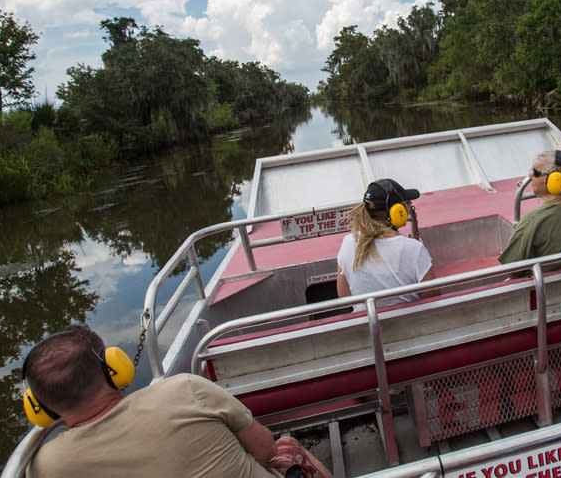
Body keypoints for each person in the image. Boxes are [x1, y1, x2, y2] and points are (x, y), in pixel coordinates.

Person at [23, 324, 332, 478]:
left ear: (39, 408)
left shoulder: (43, 466)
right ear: (115, 368)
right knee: (286, 446)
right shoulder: (185, 389)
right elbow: (265, 450)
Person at [336, 178, 438, 311]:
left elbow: (343, 294)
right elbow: (433, 296)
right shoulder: (413, 248)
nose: (408, 206)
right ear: (397, 211)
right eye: (406, 203)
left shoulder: (348, 243)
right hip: (409, 326)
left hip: (366, 327)